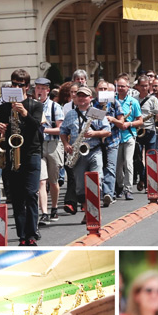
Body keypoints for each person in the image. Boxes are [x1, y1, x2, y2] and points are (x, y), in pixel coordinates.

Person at [0, 69, 44, 246]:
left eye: (20, 85)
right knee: (18, 198)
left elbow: (36, 127)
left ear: (27, 87)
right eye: (13, 84)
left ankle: (31, 233)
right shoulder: (4, 106)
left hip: (31, 154)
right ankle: (22, 236)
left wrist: (24, 113)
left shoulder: (35, 105)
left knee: (31, 194)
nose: (16, 87)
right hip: (12, 155)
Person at [59, 86, 111, 223]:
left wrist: (95, 133)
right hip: (78, 153)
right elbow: (63, 131)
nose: (82, 98)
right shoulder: (70, 114)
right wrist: (66, 144)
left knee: (97, 180)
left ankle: (95, 212)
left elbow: (107, 131)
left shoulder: (97, 112)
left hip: (95, 150)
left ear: (90, 98)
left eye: (85, 96)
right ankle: (87, 211)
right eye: (79, 95)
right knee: (80, 186)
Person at [34, 77, 65, 226]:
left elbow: (61, 129)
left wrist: (44, 129)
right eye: (37, 88)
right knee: (41, 180)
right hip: (38, 145)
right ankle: (44, 213)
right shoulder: (31, 105)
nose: (39, 91)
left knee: (53, 181)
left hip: (53, 144)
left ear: (47, 90)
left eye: (42, 88)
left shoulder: (55, 107)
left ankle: (54, 207)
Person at [113, 76, 143, 201]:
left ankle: (128, 189)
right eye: (118, 86)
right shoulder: (112, 101)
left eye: (123, 86)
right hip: (115, 137)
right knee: (118, 165)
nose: (120, 88)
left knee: (128, 162)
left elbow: (140, 120)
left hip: (129, 135)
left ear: (128, 87)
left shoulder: (133, 102)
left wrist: (129, 124)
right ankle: (119, 186)